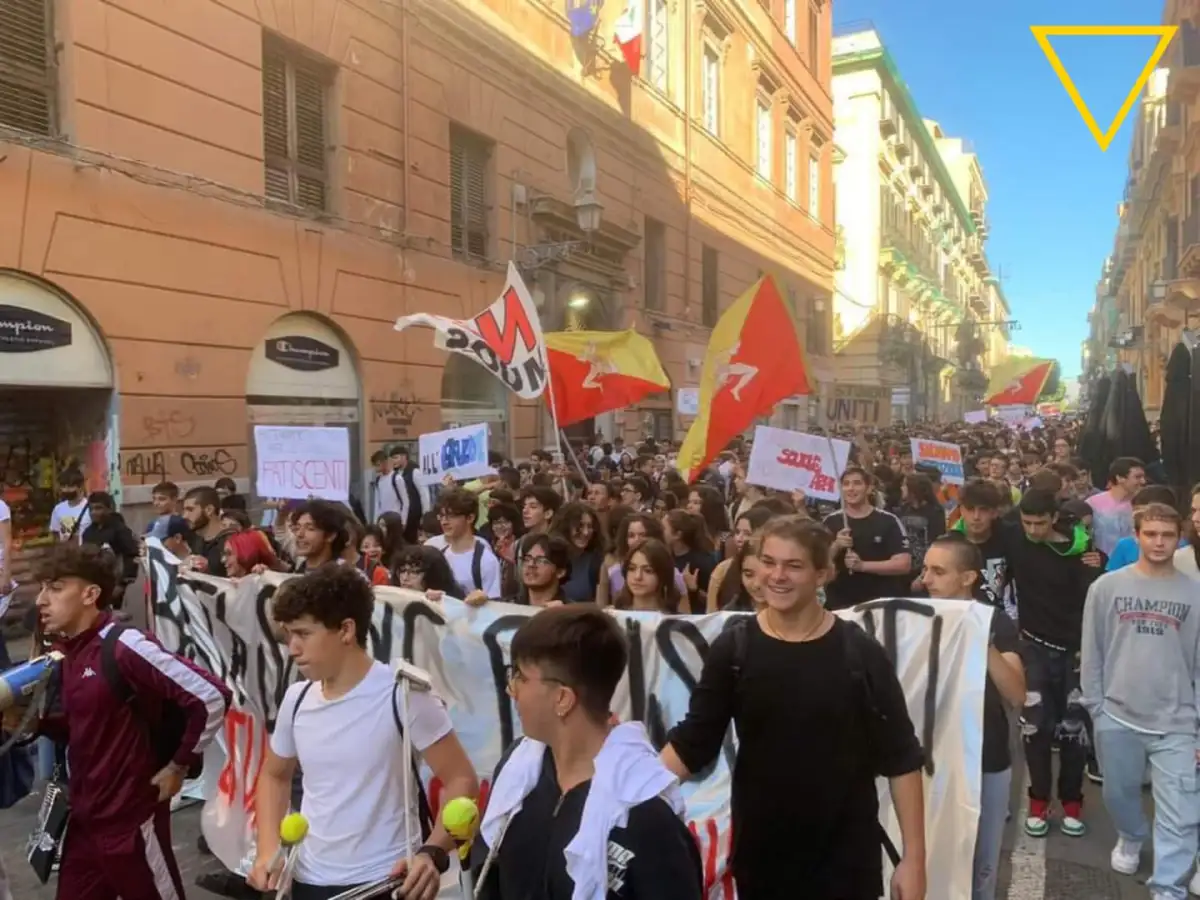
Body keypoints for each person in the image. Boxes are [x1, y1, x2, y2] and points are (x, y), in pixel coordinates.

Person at [661, 516, 927, 900]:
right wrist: (626, 795)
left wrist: (913, 860)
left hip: (846, 864)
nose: (777, 576)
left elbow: (902, 758)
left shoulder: (860, 653)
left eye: (794, 565)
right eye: (768, 562)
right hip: (763, 860)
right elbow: (693, 743)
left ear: (823, 574)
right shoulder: (735, 651)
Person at [251, 565, 478, 900]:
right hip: (306, 880)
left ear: (345, 630)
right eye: (288, 635)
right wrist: (267, 850)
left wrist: (432, 852)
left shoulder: (404, 694)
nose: (293, 648)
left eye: (303, 634)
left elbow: (462, 780)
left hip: (386, 882)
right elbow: (274, 776)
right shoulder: (296, 699)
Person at [33, 542, 230, 900]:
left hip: (132, 825)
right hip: (84, 824)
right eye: (42, 587)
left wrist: (178, 764)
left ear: (91, 594)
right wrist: (36, 725)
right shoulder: (69, 651)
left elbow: (211, 696)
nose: (41, 600)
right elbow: (87, 727)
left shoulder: (126, 645)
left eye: (56, 587)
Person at [471, 605, 704, 900]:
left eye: (519, 675)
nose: (511, 689)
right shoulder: (518, 771)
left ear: (562, 699)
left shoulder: (645, 817)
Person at [1080, 503, 1200, 898]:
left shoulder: (1194, 592)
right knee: (1118, 793)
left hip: (1178, 722)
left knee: (1181, 815)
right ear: (1136, 536)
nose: (1159, 542)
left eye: (1167, 535)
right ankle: (1131, 835)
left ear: (1179, 536)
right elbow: (1092, 649)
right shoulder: (1107, 587)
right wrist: (1097, 706)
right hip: (1117, 715)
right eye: (1151, 534)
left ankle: (1168, 889)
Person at [921, 534, 1024, 900]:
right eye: (925, 569)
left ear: (968, 578)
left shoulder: (994, 621)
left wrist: (981, 636)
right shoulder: (913, 616)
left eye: (937, 571)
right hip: (926, 761)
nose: (926, 580)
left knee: (982, 864)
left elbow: (1016, 693)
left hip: (986, 758)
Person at [823, 467, 913, 610]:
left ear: (869, 488)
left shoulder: (888, 520)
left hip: (879, 604)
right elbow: (817, 563)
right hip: (839, 604)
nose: (851, 488)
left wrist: (863, 566)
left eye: (857, 483)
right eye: (846, 484)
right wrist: (836, 546)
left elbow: (903, 564)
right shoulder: (830, 521)